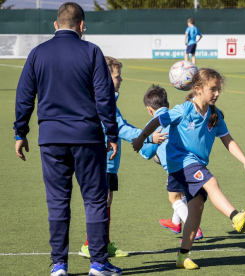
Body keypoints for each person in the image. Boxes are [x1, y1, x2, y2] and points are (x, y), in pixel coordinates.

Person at [13, 3, 122, 276]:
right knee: (95, 200)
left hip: (50, 140)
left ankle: (59, 265)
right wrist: (112, 133)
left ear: (55, 24)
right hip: (88, 138)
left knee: (58, 201)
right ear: (82, 25)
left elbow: (24, 96)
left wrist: (20, 132)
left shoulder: (38, 53)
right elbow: (104, 96)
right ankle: (98, 264)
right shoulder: (91, 51)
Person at [132, 68, 245, 270]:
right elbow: (158, 119)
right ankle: (236, 217)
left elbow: (227, 139)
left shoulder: (215, 115)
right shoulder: (184, 110)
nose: (217, 93)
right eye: (213, 89)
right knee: (211, 182)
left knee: (196, 210)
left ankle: (183, 256)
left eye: (218, 90)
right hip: (181, 163)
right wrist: (141, 139)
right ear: (197, 89)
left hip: (192, 165)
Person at [78, 57, 167, 259]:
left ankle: (102, 242)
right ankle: (91, 244)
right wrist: (147, 137)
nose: (121, 80)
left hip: (107, 159)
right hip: (102, 159)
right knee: (101, 202)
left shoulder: (106, 100)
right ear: (105, 78)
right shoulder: (103, 101)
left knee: (105, 201)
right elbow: (120, 128)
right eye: (117, 76)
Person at [139, 85, 203, 241]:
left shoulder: (153, 126)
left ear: (149, 110)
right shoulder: (177, 116)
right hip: (192, 162)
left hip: (176, 167)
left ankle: (194, 230)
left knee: (173, 198)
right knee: (180, 194)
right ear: (167, 105)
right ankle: (175, 222)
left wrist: (152, 152)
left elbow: (146, 152)